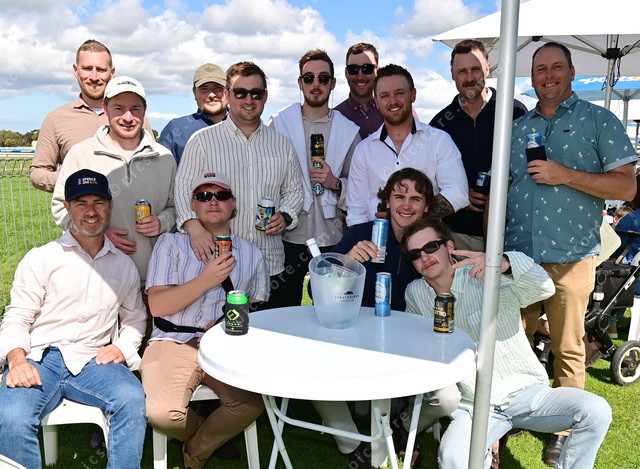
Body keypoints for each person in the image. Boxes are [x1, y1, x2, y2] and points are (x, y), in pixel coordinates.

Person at [505, 42, 636, 465]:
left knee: (568, 348)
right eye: (540, 69)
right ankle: (517, 411)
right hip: (519, 256)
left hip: (571, 256)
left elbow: (626, 186)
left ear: (572, 71)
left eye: (556, 67)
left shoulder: (598, 120)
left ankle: (563, 429)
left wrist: (564, 174)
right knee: (514, 343)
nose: (548, 75)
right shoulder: (517, 127)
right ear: (531, 77)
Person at [402, 217, 612, 469]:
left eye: (430, 247)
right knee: (454, 459)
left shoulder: (485, 274)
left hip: (525, 392)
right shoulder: (415, 293)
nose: (424, 257)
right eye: (415, 254)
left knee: (596, 411)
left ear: (449, 246)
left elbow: (544, 288)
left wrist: (505, 263)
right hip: (472, 405)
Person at [0, 169, 147, 469]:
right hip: (39, 358)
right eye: (81, 203)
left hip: (94, 360)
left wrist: (122, 347)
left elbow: (135, 319)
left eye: (98, 202)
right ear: (67, 207)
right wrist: (16, 360)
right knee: (12, 415)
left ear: (110, 206)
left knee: (132, 399)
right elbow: (17, 316)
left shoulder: (123, 265)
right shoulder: (43, 258)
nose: (90, 211)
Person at [141, 171, 268, 469]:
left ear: (233, 204)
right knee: (162, 414)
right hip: (172, 341)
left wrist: (226, 326)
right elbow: (158, 305)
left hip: (223, 345)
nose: (213, 201)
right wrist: (206, 280)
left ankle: (195, 453)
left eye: (221, 195)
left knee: (251, 404)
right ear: (193, 205)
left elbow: (255, 305)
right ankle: (205, 434)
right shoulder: (170, 244)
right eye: (203, 196)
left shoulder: (251, 254)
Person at [175, 61, 304, 309]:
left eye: (256, 93)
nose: (249, 100)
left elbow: (295, 190)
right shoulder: (202, 141)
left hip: (269, 263)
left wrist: (286, 215)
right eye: (240, 93)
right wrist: (194, 228)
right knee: (221, 331)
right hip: (217, 265)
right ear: (227, 95)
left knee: (268, 332)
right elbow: (182, 189)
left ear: (265, 96)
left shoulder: (282, 144)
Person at [52, 75, 176, 284]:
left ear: (144, 111)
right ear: (105, 109)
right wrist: (96, 233)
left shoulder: (164, 157)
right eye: (119, 108)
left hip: (154, 279)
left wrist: (162, 222)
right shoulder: (80, 154)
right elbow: (60, 207)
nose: (128, 117)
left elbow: (177, 207)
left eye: (135, 109)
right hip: (99, 277)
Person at [269, 49, 360, 305]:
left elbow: (360, 188)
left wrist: (335, 183)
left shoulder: (348, 131)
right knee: (283, 307)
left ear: (333, 83)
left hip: (332, 236)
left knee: (332, 306)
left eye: (323, 78)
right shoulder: (279, 124)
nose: (316, 84)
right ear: (300, 82)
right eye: (309, 78)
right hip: (288, 235)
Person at [430, 39, 527, 251]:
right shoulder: (439, 124)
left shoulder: (515, 113)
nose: (470, 77)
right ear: (452, 74)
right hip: (456, 235)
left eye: (475, 69)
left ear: (487, 69)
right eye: (462, 71)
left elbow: (527, 171)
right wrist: (458, 195)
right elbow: (430, 181)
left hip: (510, 234)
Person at [345, 64, 468, 227]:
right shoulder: (364, 150)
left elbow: (458, 193)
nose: (393, 101)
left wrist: (407, 218)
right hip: (376, 238)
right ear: (376, 102)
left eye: (399, 93)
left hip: (427, 238)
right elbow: (356, 213)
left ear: (413, 95)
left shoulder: (438, 140)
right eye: (385, 96)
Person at [29, 39, 153, 192]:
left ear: (112, 72)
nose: (94, 77)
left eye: (101, 69)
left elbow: (153, 162)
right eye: (87, 68)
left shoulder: (134, 117)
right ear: (76, 70)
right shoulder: (56, 119)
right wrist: (72, 180)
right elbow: (38, 172)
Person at [334, 168, 433, 311]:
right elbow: (316, 291)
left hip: (412, 322)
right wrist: (348, 263)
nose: (406, 206)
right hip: (361, 321)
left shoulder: (435, 243)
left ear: (426, 206)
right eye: (399, 197)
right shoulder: (360, 234)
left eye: (415, 199)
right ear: (387, 202)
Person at [159, 63, 229, 164]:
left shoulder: (245, 126)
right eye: (204, 89)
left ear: (227, 91)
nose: (211, 95)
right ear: (194, 92)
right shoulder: (175, 130)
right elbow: (163, 171)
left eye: (218, 88)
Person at [334, 43, 383, 139]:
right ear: (346, 73)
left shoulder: (394, 110)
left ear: (378, 71)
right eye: (353, 69)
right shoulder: (335, 118)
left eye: (367, 68)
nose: (360, 77)